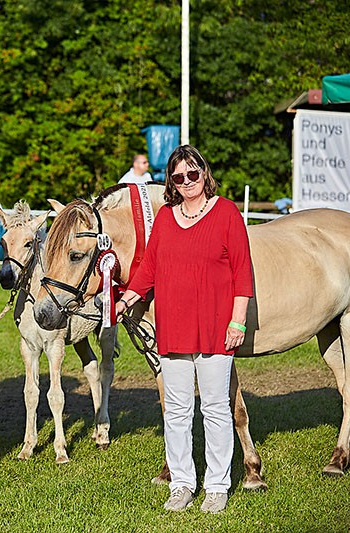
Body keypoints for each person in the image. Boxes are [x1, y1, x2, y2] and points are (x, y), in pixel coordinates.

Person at [115, 145, 253, 514]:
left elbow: (242, 272)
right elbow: (149, 269)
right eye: (179, 177)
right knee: (176, 411)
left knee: (215, 408)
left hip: (215, 327)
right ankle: (181, 484)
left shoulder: (226, 212)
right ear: (172, 182)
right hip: (173, 328)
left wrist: (237, 320)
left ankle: (217, 486)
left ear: (205, 174)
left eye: (193, 173)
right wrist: (125, 300)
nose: (187, 181)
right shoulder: (165, 217)